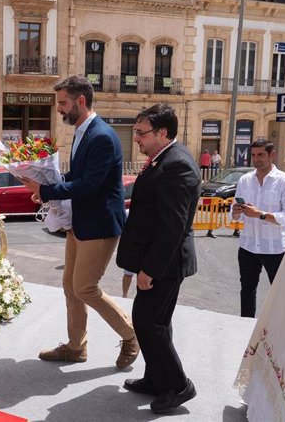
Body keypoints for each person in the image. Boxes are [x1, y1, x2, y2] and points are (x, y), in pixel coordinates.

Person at [20, 75, 139, 369]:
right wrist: (46, 189)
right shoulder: (82, 131)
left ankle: (131, 336)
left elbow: (89, 185)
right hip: (81, 223)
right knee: (70, 286)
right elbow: (76, 177)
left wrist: (46, 190)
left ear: (80, 101)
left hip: (99, 226)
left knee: (85, 287)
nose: (59, 108)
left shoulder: (101, 136)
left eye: (63, 103)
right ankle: (76, 347)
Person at [116, 104, 201, 414]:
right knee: (156, 322)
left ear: (162, 132)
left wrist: (149, 269)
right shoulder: (163, 159)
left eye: (141, 133)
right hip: (158, 259)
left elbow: (172, 226)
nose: (136, 138)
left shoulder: (176, 164)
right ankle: (156, 378)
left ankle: (179, 385)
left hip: (164, 263)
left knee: (149, 322)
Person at [231, 140, 285, 318]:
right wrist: (237, 211)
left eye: (261, 155)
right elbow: (234, 214)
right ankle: (245, 327)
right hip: (248, 246)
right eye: (253, 155)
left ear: (271, 155)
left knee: (280, 294)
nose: (256, 159)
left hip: (275, 248)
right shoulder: (244, 180)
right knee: (247, 289)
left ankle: (279, 332)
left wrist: (260, 214)